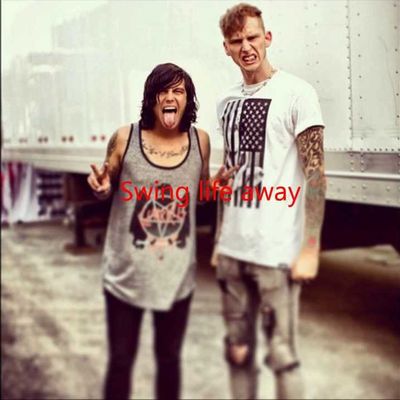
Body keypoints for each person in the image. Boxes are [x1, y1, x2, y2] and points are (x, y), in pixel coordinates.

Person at [87, 63, 220, 400]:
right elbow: (106, 183)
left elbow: (200, 195)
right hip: (125, 274)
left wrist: (215, 189)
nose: (170, 97)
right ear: (151, 99)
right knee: (121, 361)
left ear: (188, 100)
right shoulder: (125, 138)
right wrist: (101, 187)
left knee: (170, 361)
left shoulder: (200, 141)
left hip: (176, 276)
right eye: (163, 91)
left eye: (178, 91)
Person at [215, 3, 326, 399]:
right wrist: (218, 242)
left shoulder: (297, 93)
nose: (246, 47)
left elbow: (315, 175)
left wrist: (309, 249)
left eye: (252, 37)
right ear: (226, 48)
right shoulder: (225, 101)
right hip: (232, 252)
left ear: (267, 38)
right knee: (238, 353)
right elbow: (229, 175)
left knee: (283, 356)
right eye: (236, 41)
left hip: (276, 252)